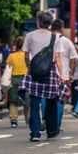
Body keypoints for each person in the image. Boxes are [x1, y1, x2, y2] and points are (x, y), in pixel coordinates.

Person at [20, 12, 65, 141]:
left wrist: (29, 67)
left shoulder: (29, 36)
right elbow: (57, 57)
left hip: (34, 72)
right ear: (50, 23)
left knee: (34, 103)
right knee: (51, 102)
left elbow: (26, 55)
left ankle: (35, 133)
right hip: (50, 71)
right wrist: (61, 74)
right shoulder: (55, 37)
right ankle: (51, 130)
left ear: (38, 22)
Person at [50, 19, 77, 130]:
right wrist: (72, 73)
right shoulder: (67, 41)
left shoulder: (48, 40)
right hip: (63, 75)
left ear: (51, 28)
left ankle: (46, 120)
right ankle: (56, 125)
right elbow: (74, 59)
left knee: (47, 99)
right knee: (60, 100)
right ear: (62, 28)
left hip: (49, 74)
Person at [6, 36, 30, 128]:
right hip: (26, 79)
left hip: (15, 79)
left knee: (13, 100)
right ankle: (28, 120)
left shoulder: (11, 56)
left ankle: (13, 119)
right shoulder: (28, 55)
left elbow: (8, 68)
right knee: (27, 100)